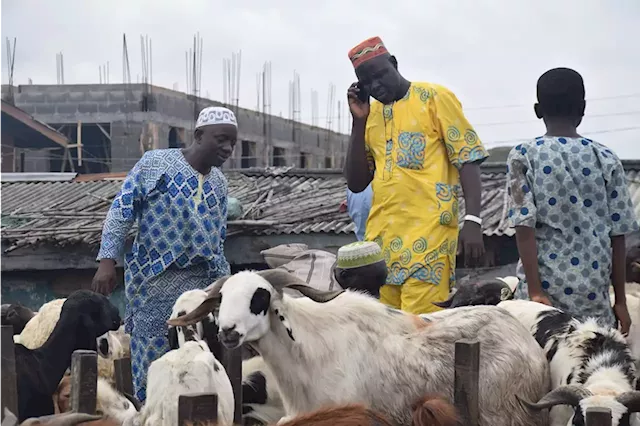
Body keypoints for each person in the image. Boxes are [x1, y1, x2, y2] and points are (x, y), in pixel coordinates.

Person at [92, 106, 237, 401]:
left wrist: (226, 287)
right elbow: (121, 212)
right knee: (153, 372)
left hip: (200, 291)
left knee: (198, 367)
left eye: (233, 142)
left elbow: (218, 240)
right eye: (221, 139)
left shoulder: (220, 183)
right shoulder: (156, 164)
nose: (228, 148)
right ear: (198, 135)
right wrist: (107, 261)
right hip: (154, 285)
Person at [345, 36, 489, 314]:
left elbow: (468, 159)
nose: (376, 86)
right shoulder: (370, 116)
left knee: (422, 331)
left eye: (381, 75)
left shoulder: (435, 98)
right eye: (368, 83)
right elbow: (356, 182)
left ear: (394, 64)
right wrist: (358, 122)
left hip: (430, 237)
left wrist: (473, 220)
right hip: (381, 242)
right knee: (387, 333)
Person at [506, 67, 638, 333]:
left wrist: (534, 291)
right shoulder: (606, 158)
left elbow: (524, 227)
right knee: (591, 367)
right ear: (583, 108)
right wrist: (620, 301)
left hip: (542, 301)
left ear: (537, 109)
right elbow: (619, 235)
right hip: (593, 302)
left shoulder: (523, 155)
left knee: (540, 368)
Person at [261, 241, 387, 298]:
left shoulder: (322, 255)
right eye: (369, 288)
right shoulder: (330, 300)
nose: (378, 295)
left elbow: (270, 254)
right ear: (345, 275)